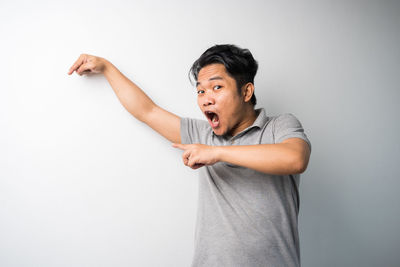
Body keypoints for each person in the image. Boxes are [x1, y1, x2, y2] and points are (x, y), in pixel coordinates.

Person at [68, 44, 311, 267]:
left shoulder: (279, 126)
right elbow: (147, 111)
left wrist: (215, 153)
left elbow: (295, 159)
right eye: (201, 91)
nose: (206, 99)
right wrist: (107, 68)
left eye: (217, 87)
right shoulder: (203, 133)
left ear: (246, 92)